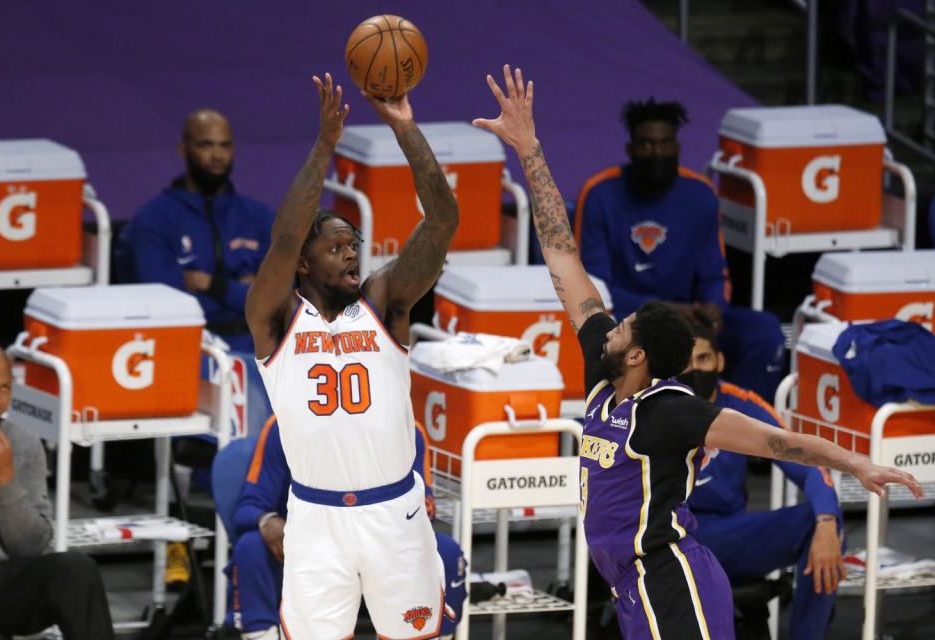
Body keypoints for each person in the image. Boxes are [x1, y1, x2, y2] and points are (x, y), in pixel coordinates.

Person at [472, 64, 923, 639]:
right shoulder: (602, 375)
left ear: (638, 356)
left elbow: (776, 441)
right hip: (634, 584)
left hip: (672, 579)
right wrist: (530, 149)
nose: (609, 324)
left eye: (622, 326)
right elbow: (562, 255)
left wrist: (856, 462)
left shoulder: (668, 410)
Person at [245, 73, 459, 639]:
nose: (350, 255)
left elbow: (442, 220)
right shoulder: (276, 319)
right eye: (334, 247)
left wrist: (405, 128)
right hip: (316, 519)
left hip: (397, 514)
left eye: (353, 246)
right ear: (304, 264)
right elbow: (283, 241)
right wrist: (323, 147)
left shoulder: (385, 304)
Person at [573, 98, 786, 401]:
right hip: (626, 323)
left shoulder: (700, 193)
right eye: (647, 144)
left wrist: (713, 310)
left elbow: (715, 275)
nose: (657, 152)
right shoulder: (599, 194)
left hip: (689, 320)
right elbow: (593, 290)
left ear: (678, 147)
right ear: (631, 150)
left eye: (665, 143)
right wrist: (662, 312)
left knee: (764, 332)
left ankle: (737, 422)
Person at [678, 312, 843, 639]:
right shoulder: (656, 406)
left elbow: (809, 463)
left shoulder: (742, 405)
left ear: (720, 361)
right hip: (672, 539)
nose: (695, 370)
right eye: (686, 362)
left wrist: (826, 521)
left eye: (704, 358)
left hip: (728, 537)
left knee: (824, 525)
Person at [224, 417, 466, 639]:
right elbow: (249, 507)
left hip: (385, 548)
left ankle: (433, 634)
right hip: (310, 550)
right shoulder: (285, 423)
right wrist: (266, 520)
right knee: (251, 547)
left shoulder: (405, 426)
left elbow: (424, 511)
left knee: (445, 551)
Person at [0, 342, 114, 639]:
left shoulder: (21, 441)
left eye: (5, 389)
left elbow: (31, 546)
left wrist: (6, 481)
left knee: (76, 570)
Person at [117, 108, 274, 352]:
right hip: (190, 349)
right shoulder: (153, 221)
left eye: (225, 146)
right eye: (205, 145)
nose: (217, 156)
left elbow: (275, 301)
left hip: (260, 348)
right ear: (183, 149)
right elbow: (165, 306)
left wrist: (209, 284)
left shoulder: (260, 217)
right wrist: (245, 292)